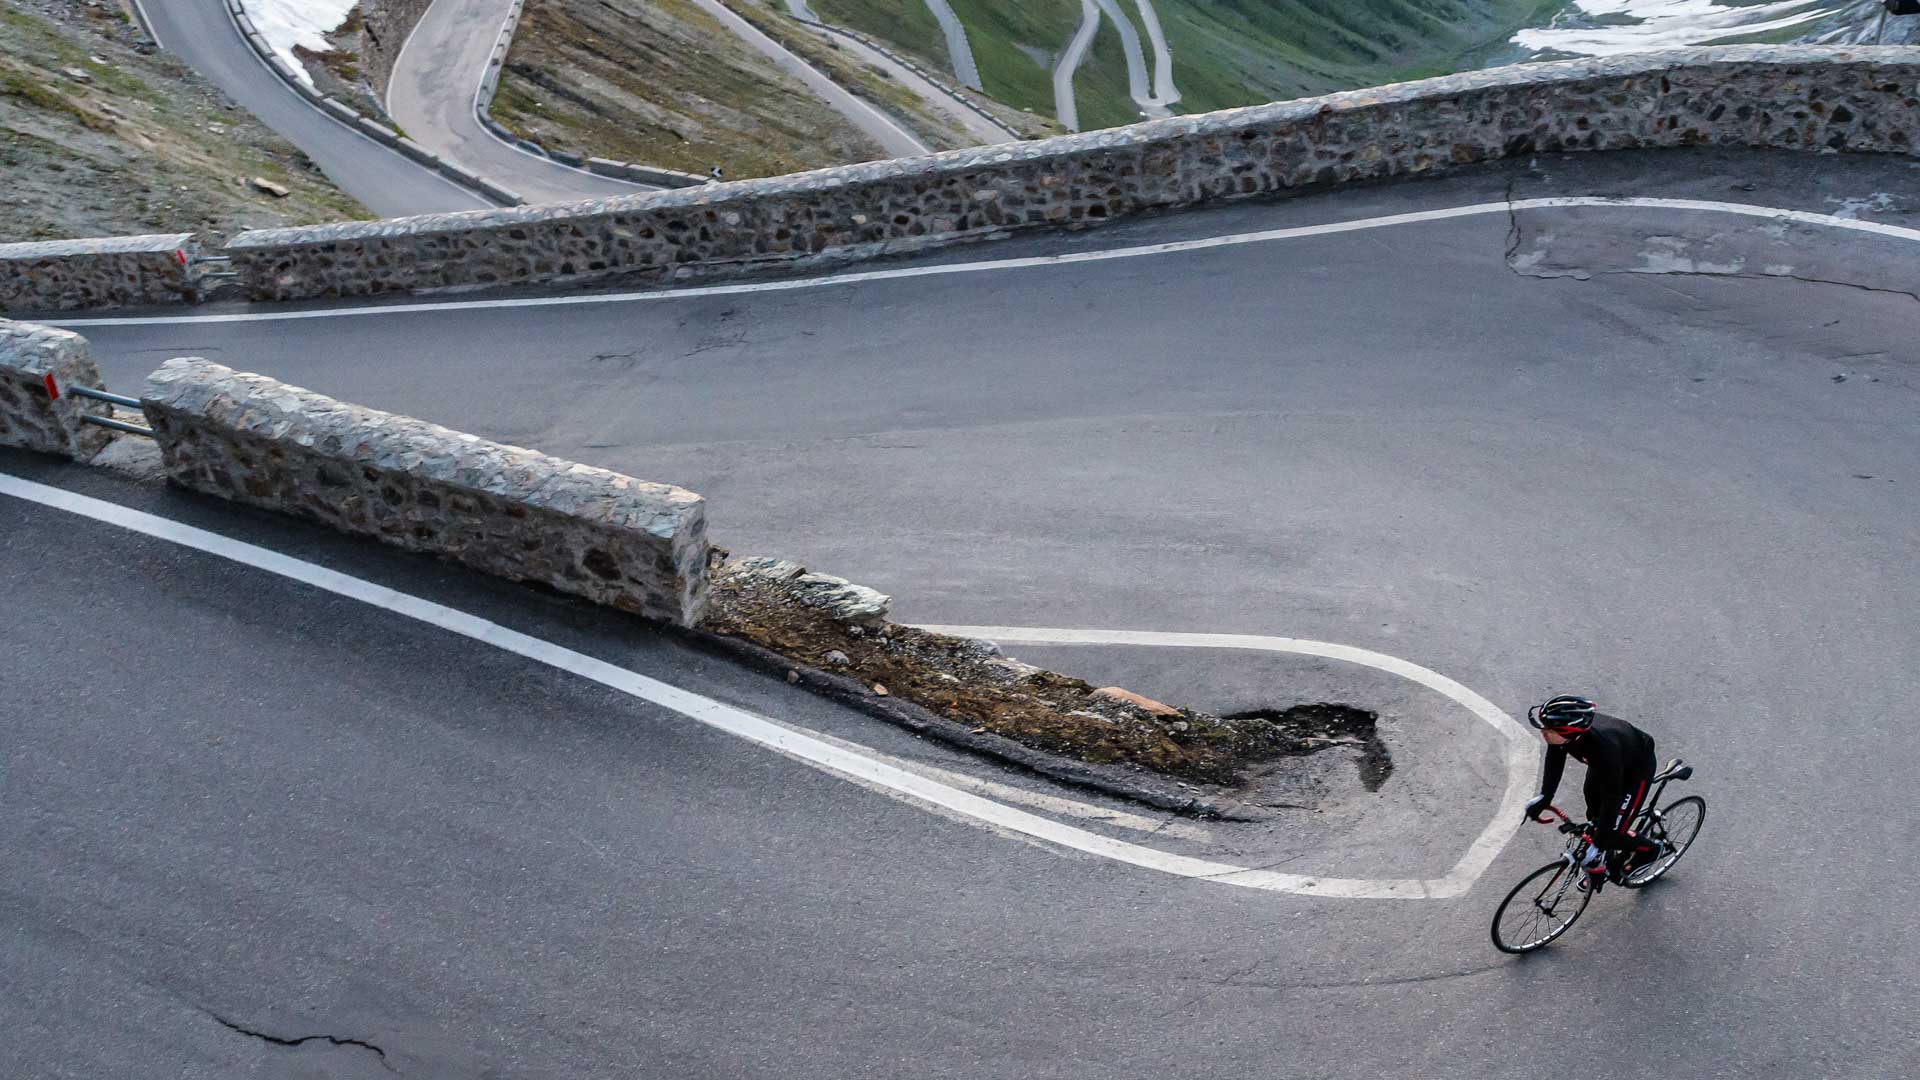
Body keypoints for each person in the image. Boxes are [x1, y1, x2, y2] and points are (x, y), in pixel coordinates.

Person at [1522, 695, 1660, 891]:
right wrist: (1545, 797)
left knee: (1609, 833)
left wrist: (1600, 842)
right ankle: (1604, 854)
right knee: (1593, 805)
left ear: (1569, 731)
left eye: (1548, 729)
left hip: (1635, 769)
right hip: (1608, 764)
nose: (1543, 732)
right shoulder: (1567, 737)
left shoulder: (1604, 749)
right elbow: (1555, 759)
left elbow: (1613, 796)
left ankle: (1650, 850)